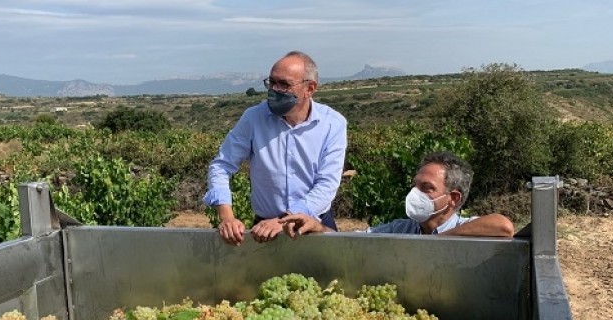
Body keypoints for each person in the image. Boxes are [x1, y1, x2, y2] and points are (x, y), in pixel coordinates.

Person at [203, 51, 347, 246]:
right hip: (263, 230)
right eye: (271, 83)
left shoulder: (333, 124)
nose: (275, 90)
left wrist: (283, 220)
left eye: (284, 84)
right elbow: (221, 165)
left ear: (310, 88)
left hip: (313, 224)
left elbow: (326, 184)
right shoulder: (253, 118)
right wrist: (226, 217)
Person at [279, 151, 514, 237]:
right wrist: (318, 227)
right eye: (415, 185)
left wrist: (441, 240)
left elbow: (503, 226)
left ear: (453, 198)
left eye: (427, 188)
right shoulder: (401, 229)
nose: (415, 193)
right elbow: (355, 240)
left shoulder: (466, 228)